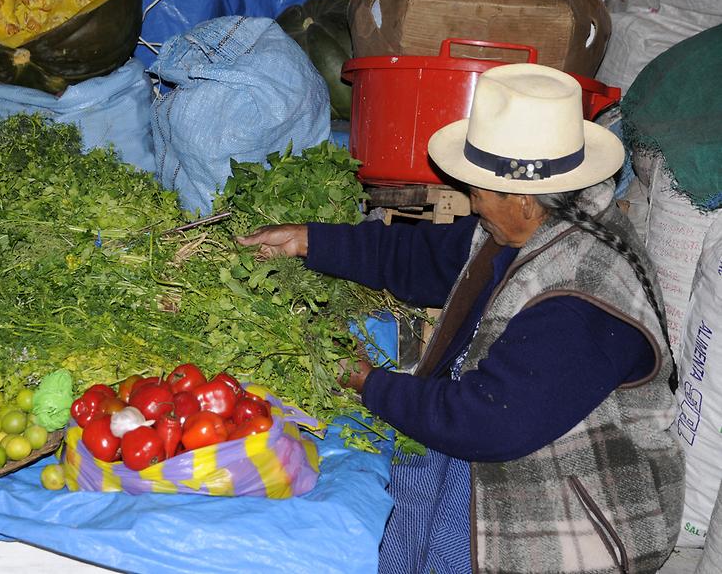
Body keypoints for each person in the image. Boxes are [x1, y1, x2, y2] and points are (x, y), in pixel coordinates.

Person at [237, 63, 684, 574]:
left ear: (521, 196)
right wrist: (310, 241)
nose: (470, 201)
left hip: (583, 508)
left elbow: (486, 421)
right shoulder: (537, 221)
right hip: (516, 423)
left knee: (428, 453)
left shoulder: (580, 298)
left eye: (478, 190)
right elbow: (429, 259)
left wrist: (369, 383)